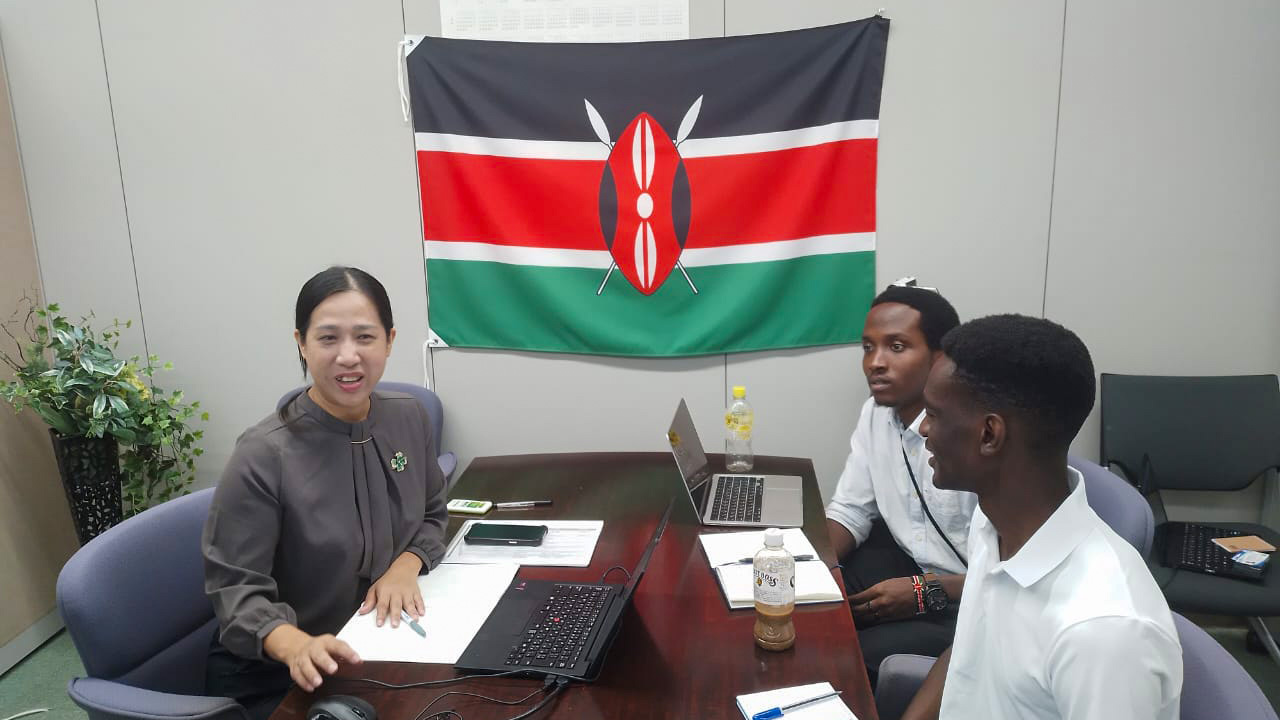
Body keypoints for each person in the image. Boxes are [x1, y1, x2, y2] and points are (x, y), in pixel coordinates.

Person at [901, 314, 1181, 720]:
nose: (922, 429)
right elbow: (967, 656)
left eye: (934, 413)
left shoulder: (1102, 633)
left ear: (989, 435)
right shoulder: (994, 526)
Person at [202, 267, 448, 720]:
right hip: (284, 674)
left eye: (365, 337)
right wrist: (296, 646)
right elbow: (237, 593)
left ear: (390, 340)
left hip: (374, 645)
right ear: (302, 342)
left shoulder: (408, 418)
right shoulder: (263, 453)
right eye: (329, 338)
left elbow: (434, 512)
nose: (348, 356)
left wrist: (403, 567)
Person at [825, 279, 975, 680]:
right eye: (868, 347)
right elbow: (850, 511)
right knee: (814, 607)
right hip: (907, 561)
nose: (875, 362)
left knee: (853, 656)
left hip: (973, 597)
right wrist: (804, 562)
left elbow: (1014, 577)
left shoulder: (977, 437)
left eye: (896, 346)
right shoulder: (875, 414)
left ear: (941, 358)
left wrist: (926, 593)